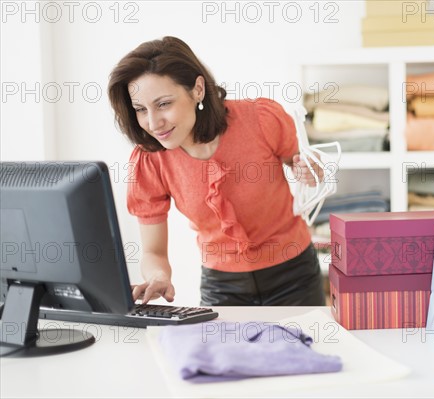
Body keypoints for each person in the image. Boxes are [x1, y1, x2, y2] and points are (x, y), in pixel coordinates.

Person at [107, 36, 326, 307]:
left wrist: (310, 168)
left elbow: (303, 163)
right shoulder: (150, 160)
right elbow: (153, 252)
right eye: (141, 109)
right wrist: (158, 276)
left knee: (305, 348)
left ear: (197, 89)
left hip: (295, 277)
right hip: (222, 287)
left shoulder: (260, 118)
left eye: (164, 104)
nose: (153, 123)